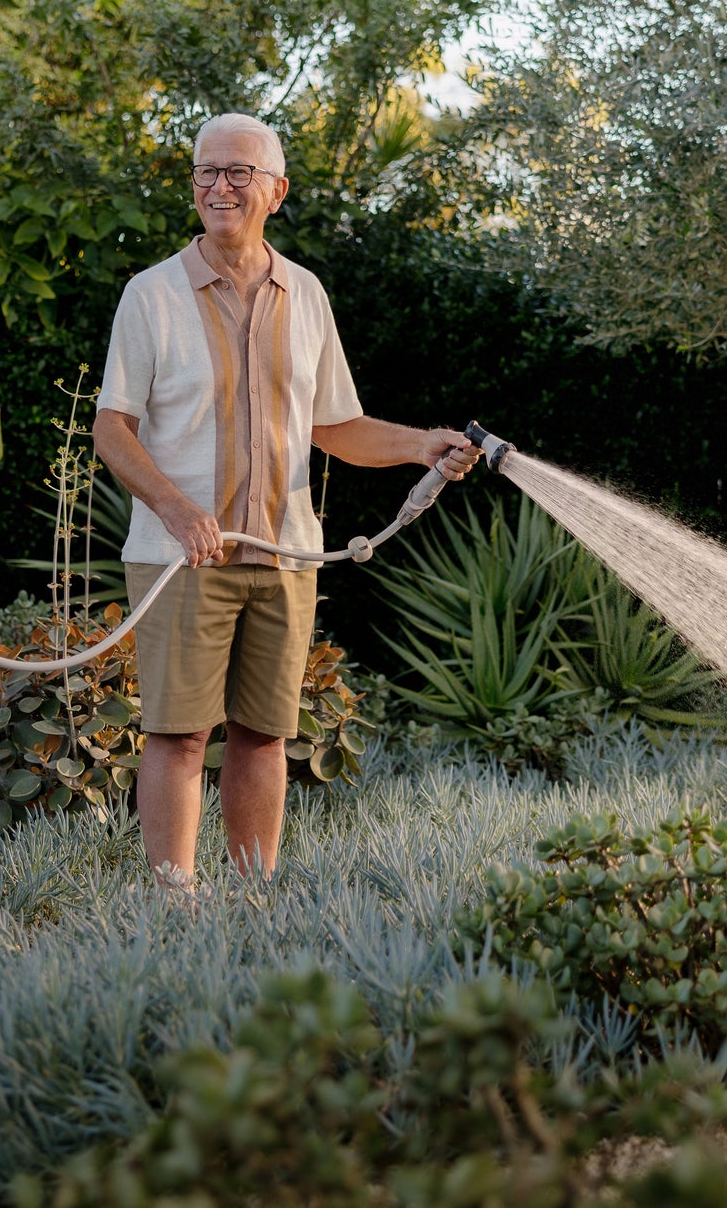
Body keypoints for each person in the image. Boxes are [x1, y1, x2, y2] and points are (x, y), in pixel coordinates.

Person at [92, 112, 479, 885]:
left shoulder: (305, 293)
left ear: (276, 190)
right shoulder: (150, 294)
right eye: (207, 171)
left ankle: (252, 900)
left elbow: (334, 425)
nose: (219, 186)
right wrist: (175, 509)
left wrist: (420, 445)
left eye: (238, 172)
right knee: (179, 735)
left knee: (263, 735)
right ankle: (174, 903)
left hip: (285, 557)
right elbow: (111, 429)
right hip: (181, 559)